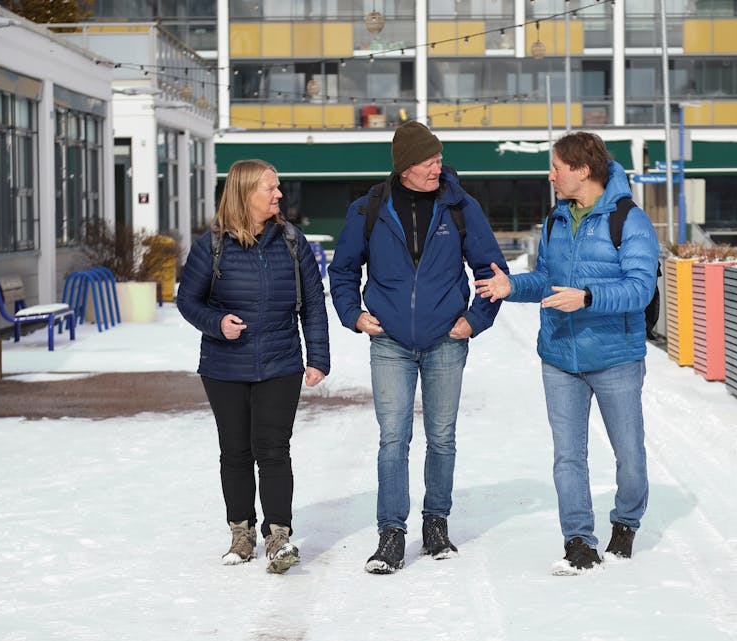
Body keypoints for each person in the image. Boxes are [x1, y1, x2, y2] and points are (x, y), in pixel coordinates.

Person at [475, 131, 659, 575]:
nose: (551, 175)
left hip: (615, 357)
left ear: (582, 170)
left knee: (629, 454)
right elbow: (546, 280)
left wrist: (588, 297)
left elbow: (640, 288)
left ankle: (626, 522)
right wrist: (511, 286)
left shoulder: (630, 221)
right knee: (568, 456)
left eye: (557, 166)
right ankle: (578, 540)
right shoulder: (556, 219)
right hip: (560, 357)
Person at [329, 121, 507, 574]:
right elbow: (343, 270)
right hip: (389, 341)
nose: (437, 166)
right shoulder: (367, 209)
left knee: (442, 437)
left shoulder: (461, 207)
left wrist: (475, 319)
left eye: (439, 158)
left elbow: (491, 271)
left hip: (447, 339)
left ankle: (436, 524)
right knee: (394, 439)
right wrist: (353, 315)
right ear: (405, 167)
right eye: (429, 161)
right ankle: (391, 533)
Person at [177, 159, 330, 574]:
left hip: (280, 362)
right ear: (246, 193)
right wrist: (217, 323)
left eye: (277, 188)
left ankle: (278, 535)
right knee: (236, 452)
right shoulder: (213, 245)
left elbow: (314, 304)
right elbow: (187, 301)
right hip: (225, 366)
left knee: (274, 451)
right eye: (270, 188)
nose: (279, 195)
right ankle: (241, 533)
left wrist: (318, 358)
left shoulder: (292, 241)